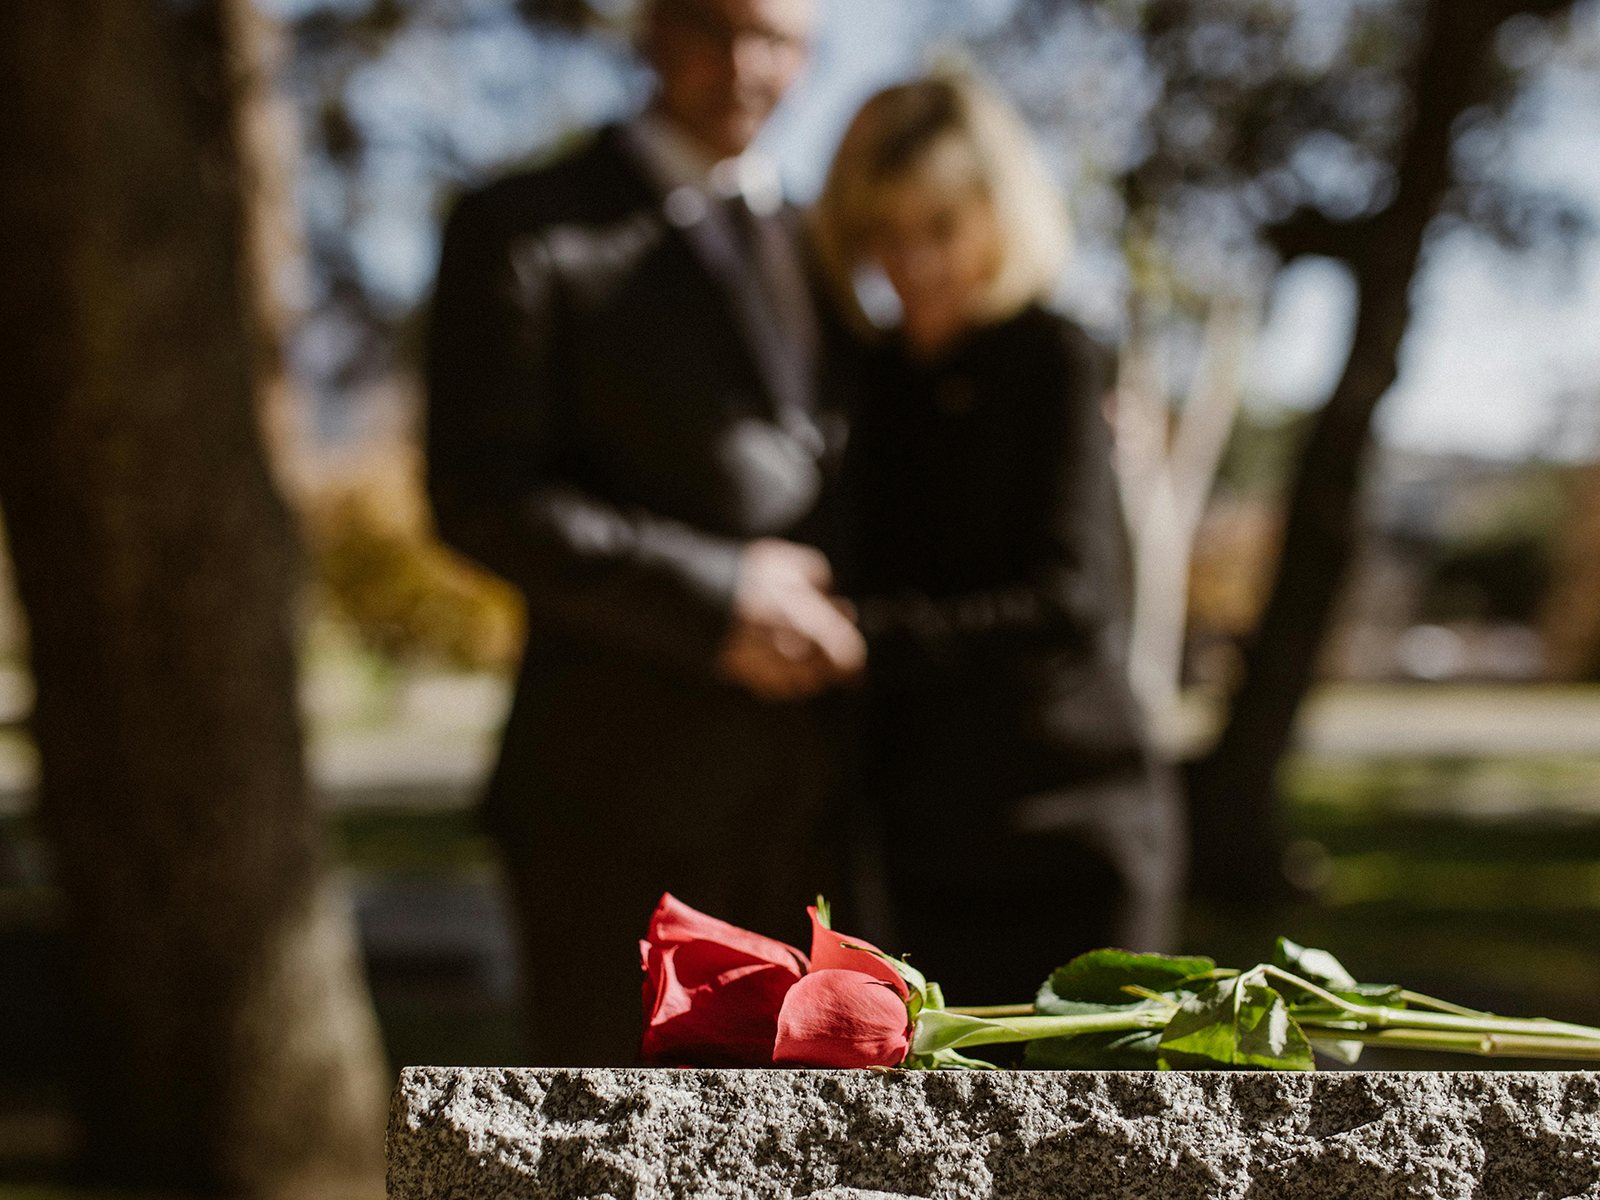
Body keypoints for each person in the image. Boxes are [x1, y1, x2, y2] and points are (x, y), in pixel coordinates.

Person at [426, 0, 865, 1066]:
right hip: (613, 809)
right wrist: (716, 597)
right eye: (719, 30)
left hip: (824, 806)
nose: (747, 66)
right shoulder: (522, 225)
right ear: (656, 31)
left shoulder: (824, 238)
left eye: (780, 41)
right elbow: (480, 495)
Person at [812, 75, 1186, 1007]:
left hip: (1070, 821)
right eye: (884, 232)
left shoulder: (1054, 356)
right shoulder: (863, 376)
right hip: (918, 839)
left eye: (940, 227)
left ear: (997, 214)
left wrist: (863, 639)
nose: (912, 262)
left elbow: (1069, 599)